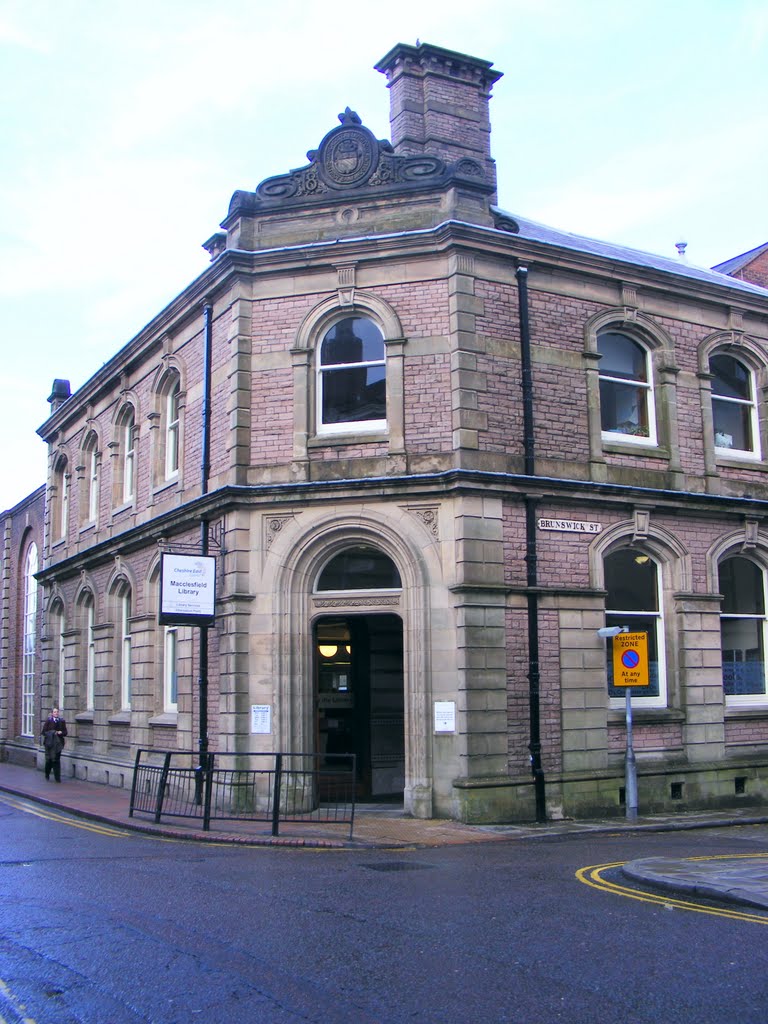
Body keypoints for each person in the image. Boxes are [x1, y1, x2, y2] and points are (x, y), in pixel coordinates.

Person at [41, 707, 67, 782]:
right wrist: (53, 732)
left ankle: (57, 778)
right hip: (50, 744)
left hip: (58, 744)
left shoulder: (62, 721)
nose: (56, 713)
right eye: (55, 712)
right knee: (49, 760)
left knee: (56, 760)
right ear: (52, 713)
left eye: (57, 712)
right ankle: (47, 774)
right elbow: (44, 732)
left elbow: (65, 732)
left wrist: (61, 732)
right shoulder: (48, 721)